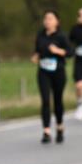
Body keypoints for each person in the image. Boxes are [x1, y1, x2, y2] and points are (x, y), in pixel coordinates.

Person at [32, 10, 71, 143]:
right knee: (45, 100)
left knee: (57, 100)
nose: (47, 21)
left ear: (56, 21)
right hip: (43, 71)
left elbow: (70, 52)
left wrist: (58, 51)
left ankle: (59, 126)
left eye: (50, 18)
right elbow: (37, 50)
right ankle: (46, 131)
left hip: (58, 71)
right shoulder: (40, 35)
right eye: (45, 18)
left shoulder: (61, 36)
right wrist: (36, 56)